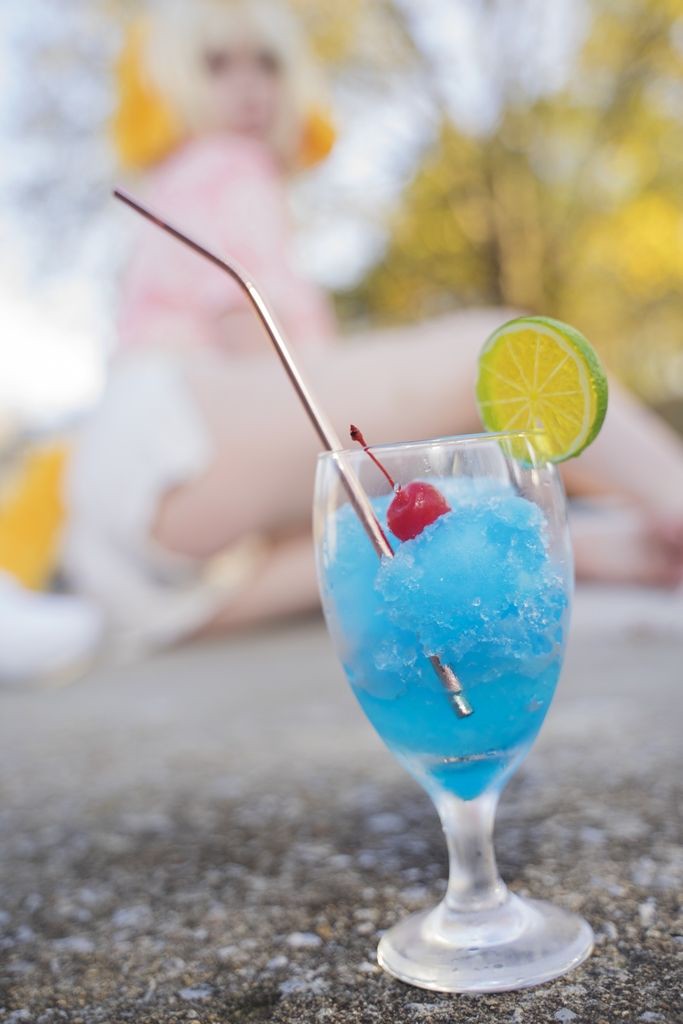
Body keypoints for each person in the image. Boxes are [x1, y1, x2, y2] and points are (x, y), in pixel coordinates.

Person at [63, 0, 683, 656]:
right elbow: (254, 343)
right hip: (173, 433)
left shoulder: (177, 181)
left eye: (267, 64)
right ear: (173, 81)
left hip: (133, 535)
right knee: (499, 352)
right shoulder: (225, 164)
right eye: (215, 65)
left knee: (386, 535)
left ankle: (601, 544)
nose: (249, 86)